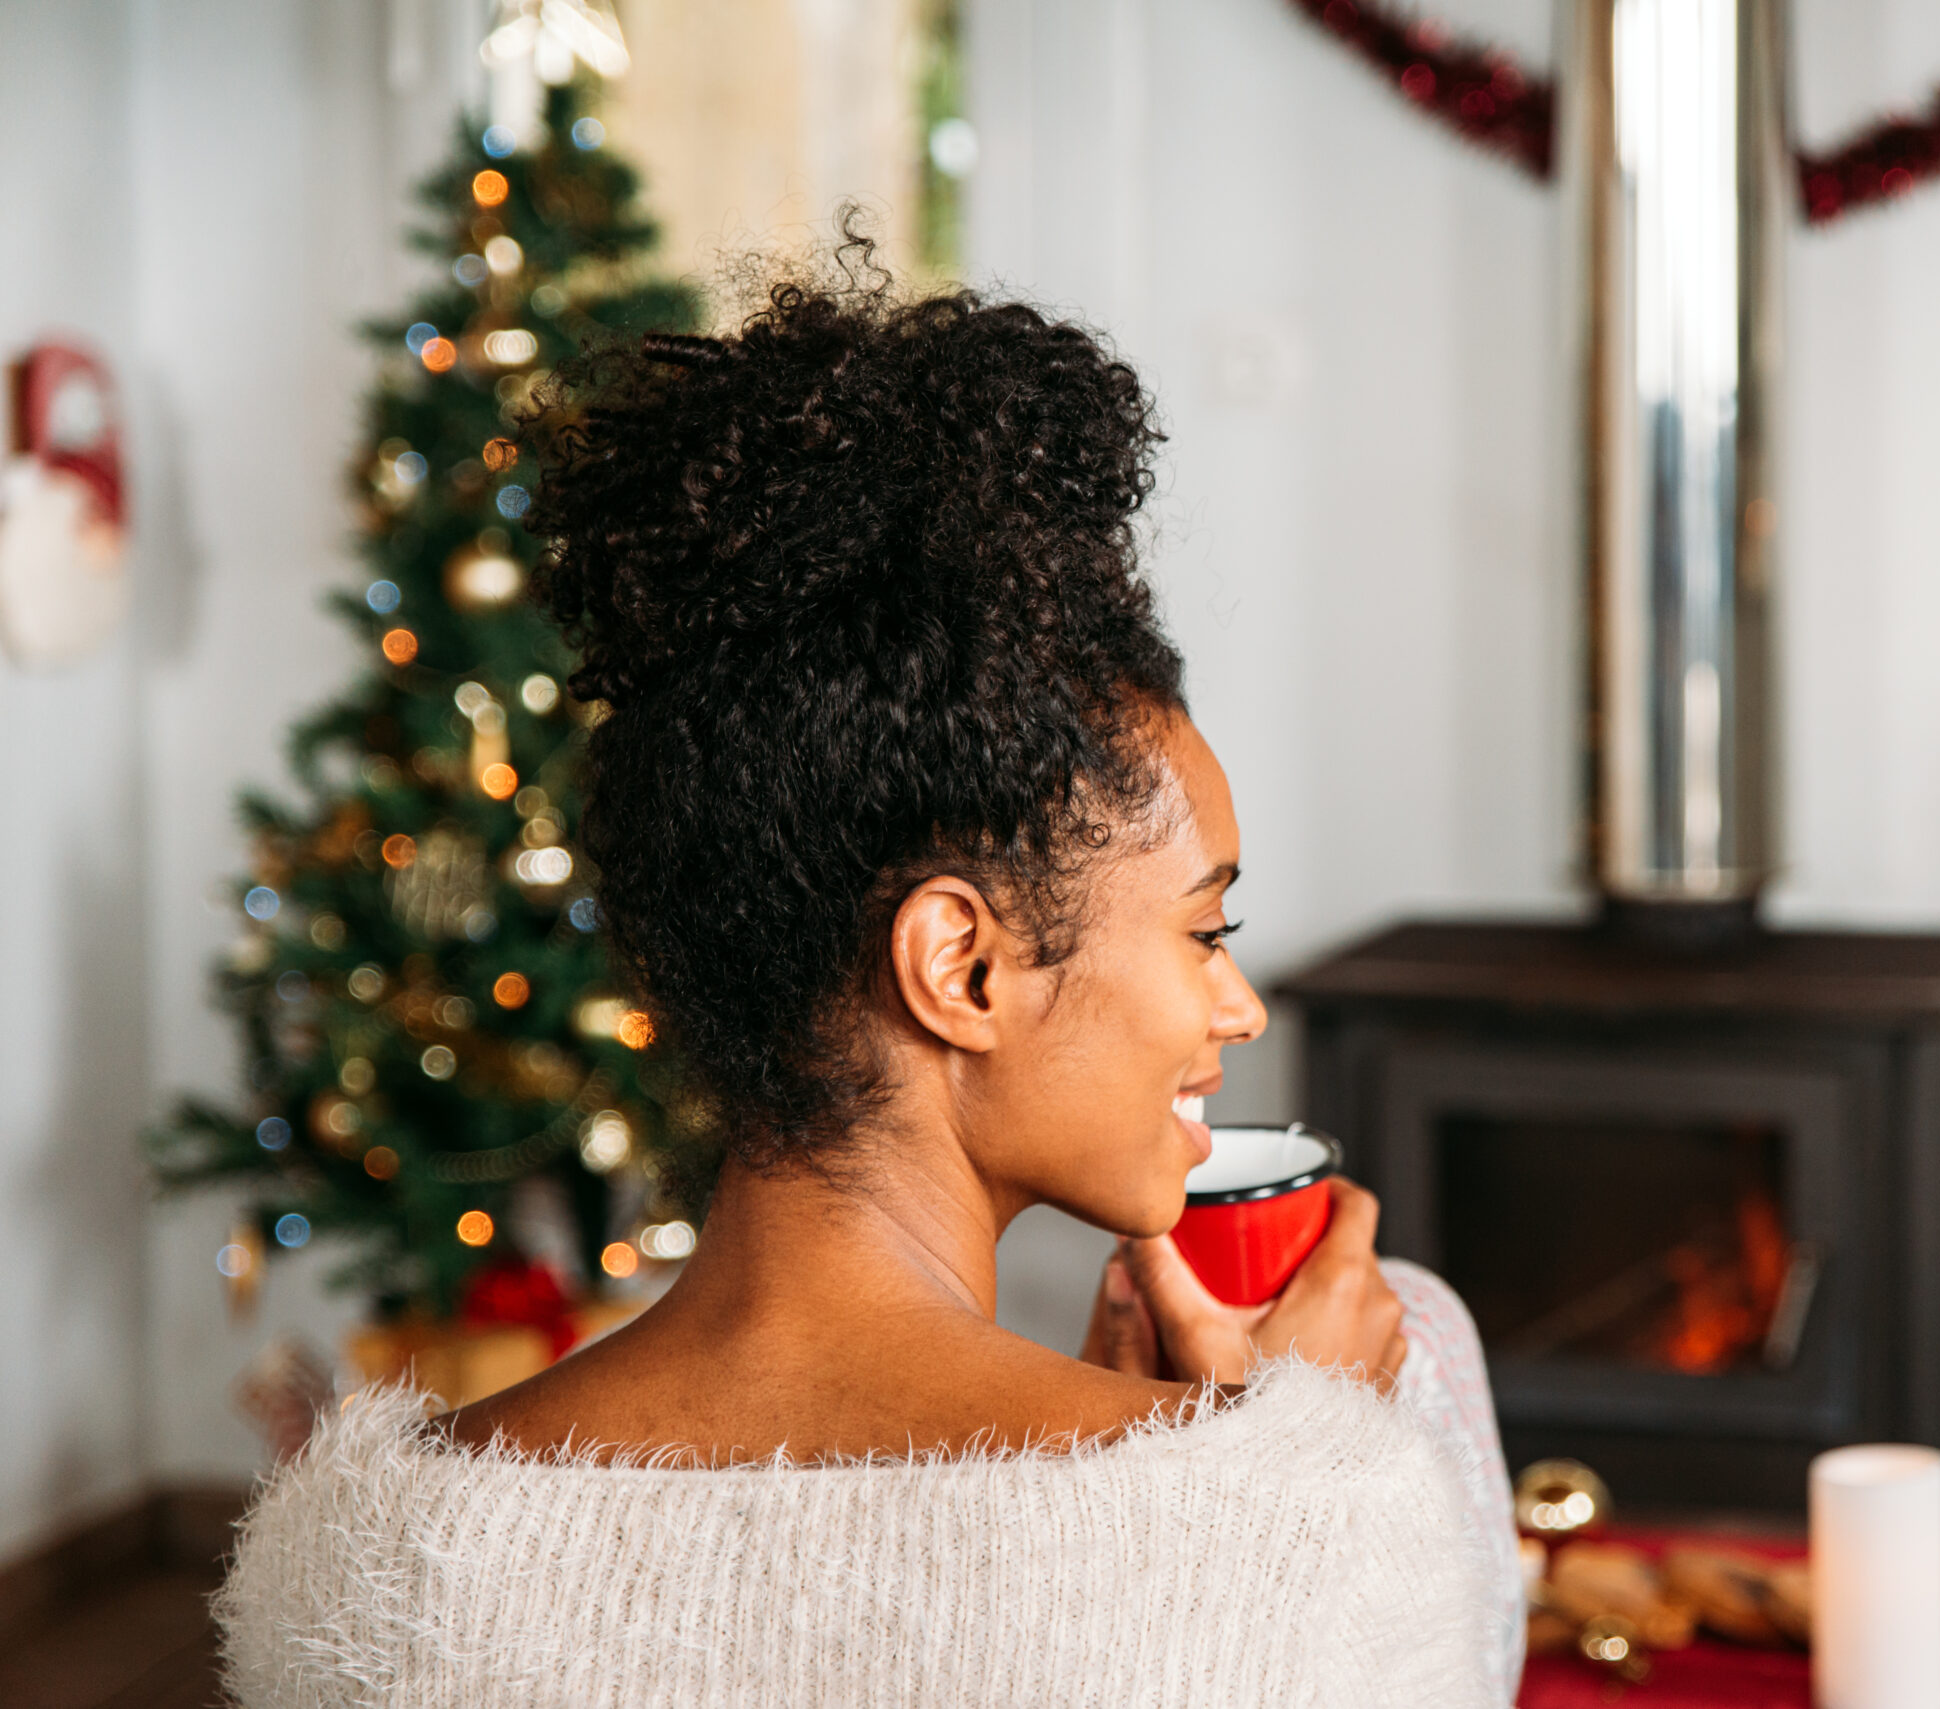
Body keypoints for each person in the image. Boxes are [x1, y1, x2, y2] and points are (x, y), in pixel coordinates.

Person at [215, 248, 1523, 1708]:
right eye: (1204, 931)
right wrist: (1312, 1440)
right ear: (958, 963)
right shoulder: (1308, 1525)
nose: (1240, 1006)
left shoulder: (357, 1563)